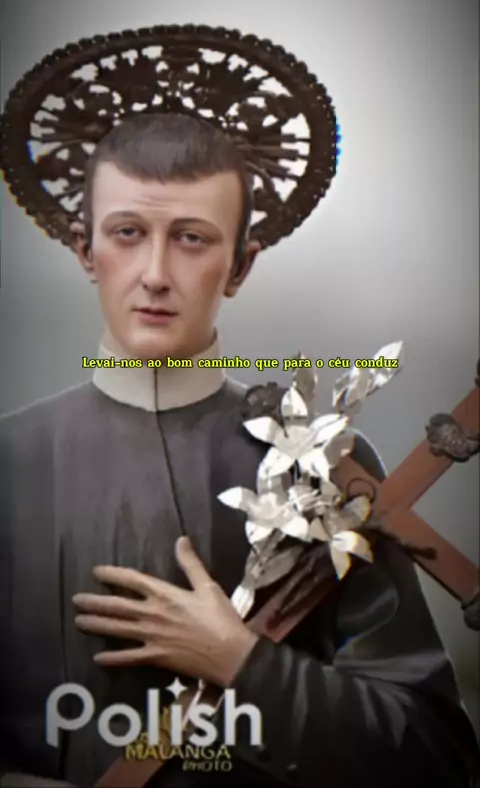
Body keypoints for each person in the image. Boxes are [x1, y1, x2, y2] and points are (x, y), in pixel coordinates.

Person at [1, 114, 479, 786]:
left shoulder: (325, 466)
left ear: (240, 264)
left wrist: (244, 663)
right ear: (86, 250)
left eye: (191, 238)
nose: (155, 274)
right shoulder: (9, 463)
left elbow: (434, 758)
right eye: (128, 233)